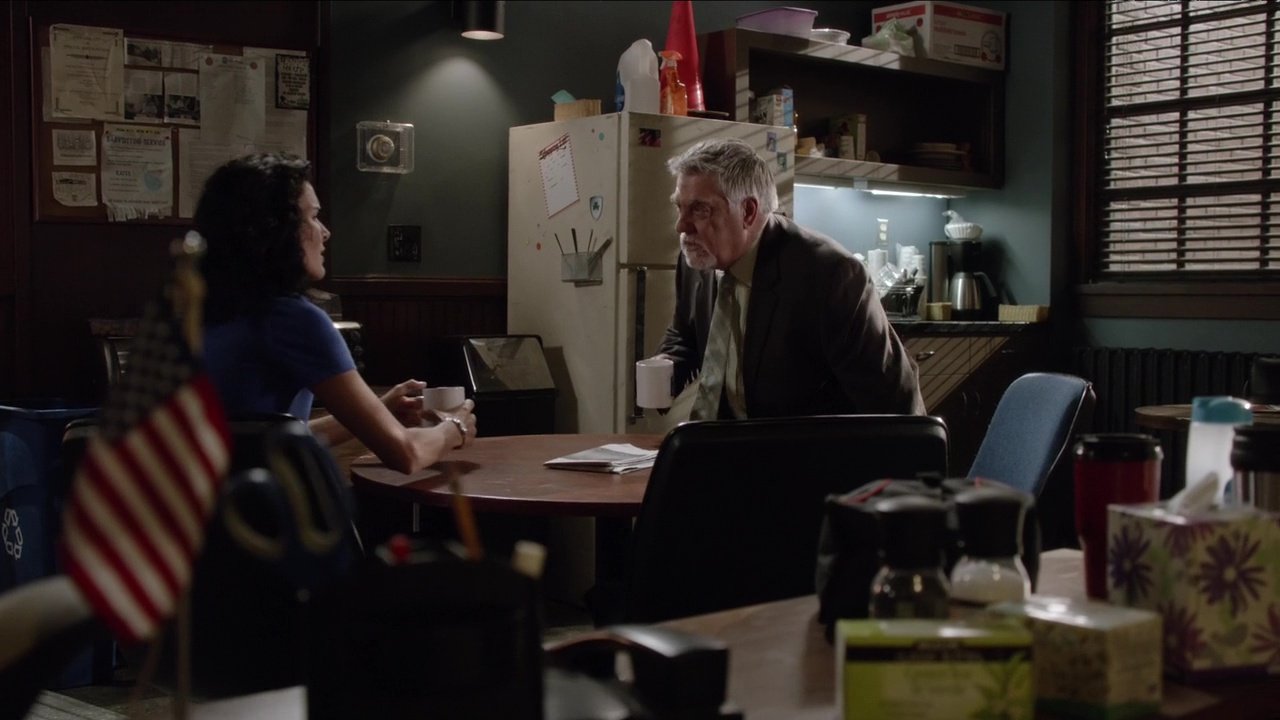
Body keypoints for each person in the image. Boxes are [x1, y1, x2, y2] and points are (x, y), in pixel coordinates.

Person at [196, 152, 475, 474]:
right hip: (269, 503)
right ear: (277, 229)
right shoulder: (293, 319)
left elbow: (275, 440)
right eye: (313, 217)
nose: (325, 232)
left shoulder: (206, 312)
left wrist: (379, 410)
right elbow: (406, 453)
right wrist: (454, 429)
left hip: (205, 502)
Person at [655, 138, 924, 419]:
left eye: (700, 209)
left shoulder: (831, 276)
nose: (681, 226)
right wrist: (665, 367)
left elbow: (894, 401)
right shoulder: (698, 260)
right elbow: (685, 334)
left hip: (801, 444)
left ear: (748, 212)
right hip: (720, 440)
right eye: (679, 207)